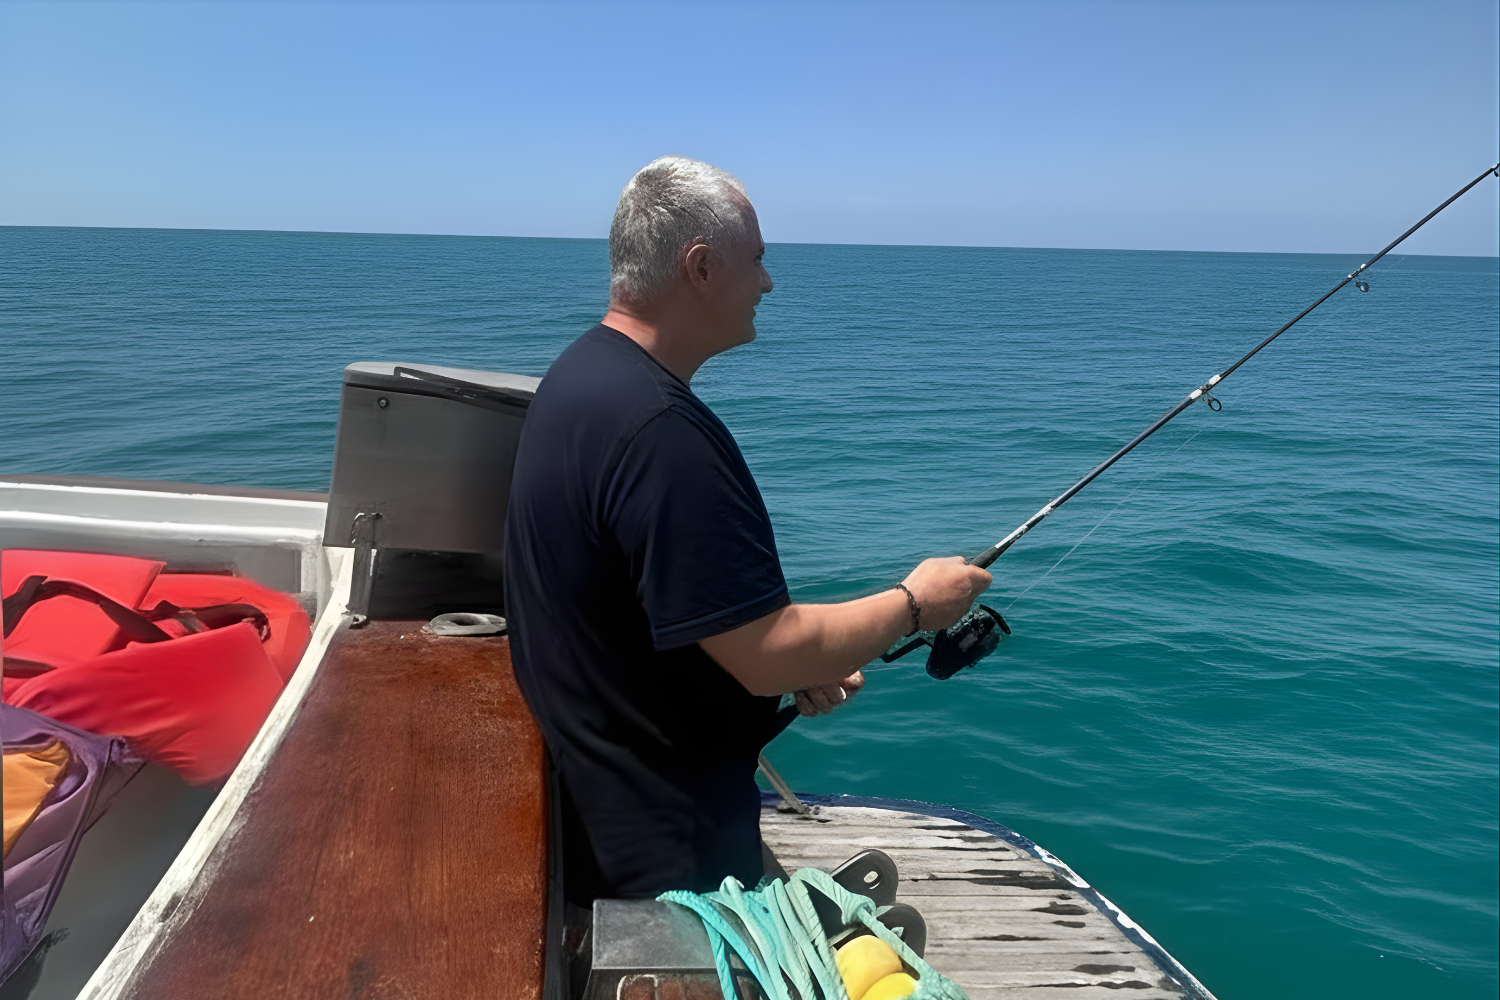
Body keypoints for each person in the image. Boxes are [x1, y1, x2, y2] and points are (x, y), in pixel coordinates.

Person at [504, 155, 991, 904]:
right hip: (662, 849)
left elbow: (659, 617)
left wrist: (790, 668)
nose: (768, 281)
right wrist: (918, 603)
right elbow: (767, 654)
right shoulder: (662, 432)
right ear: (701, 267)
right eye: (757, 259)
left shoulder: (581, 378)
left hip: (603, 801)